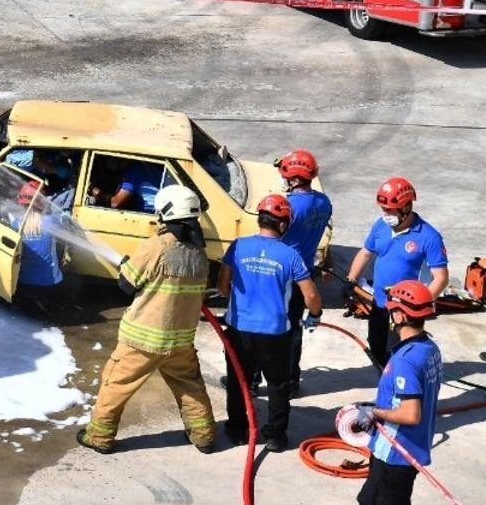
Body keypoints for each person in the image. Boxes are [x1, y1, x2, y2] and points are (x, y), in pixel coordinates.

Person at [76, 186, 215, 454]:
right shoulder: (199, 253)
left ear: (164, 212)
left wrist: (126, 265)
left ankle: (99, 437)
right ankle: (204, 436)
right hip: (180, 343)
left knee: (115, 385)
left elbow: (126, 285)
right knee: (190, 387)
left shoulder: (156, 246)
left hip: (142, 341)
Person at [342, 280, 442, 505]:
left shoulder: (405, 360)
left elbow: (411, 413)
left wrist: (374, 412)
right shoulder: (429, 348)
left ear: (400, 315)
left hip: (396, 455)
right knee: (369, 503)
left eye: (392, 310)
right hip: (399, 449)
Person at [218, 194, 322, 452]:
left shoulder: (238, 247)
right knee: (278, 385)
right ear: (283, 224)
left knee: (238, 381)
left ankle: (237, 429)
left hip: (239, 329)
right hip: (275, 334)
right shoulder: (291, 255)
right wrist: (315, 315)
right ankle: (275, 436)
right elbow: (310, 295)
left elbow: (222, 286)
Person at [346, 177, 448, 368]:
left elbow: (441, 278)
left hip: (405, 312)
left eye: (390, 210)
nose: (385, 214)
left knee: (400, 357)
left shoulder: (429, 237)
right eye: (383, 209)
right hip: (379, 304)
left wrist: (417, 308)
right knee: (376, 348)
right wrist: (351, 279)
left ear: (407, 207)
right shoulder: (380, 225)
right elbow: (366, 253)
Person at [276, 149, 333, 397]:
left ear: (295, 178)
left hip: (281, 274)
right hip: (305, 272)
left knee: (265, 327)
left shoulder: (288, 206)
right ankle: (291, 381)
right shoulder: (324, 203)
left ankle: (254, 380)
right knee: (294, 328)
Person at [90, 158, 163, 213]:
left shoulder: (134, 171)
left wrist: (96, 191)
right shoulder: (140, 166)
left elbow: (115, 203)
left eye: (112, 161)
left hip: (151, 212)